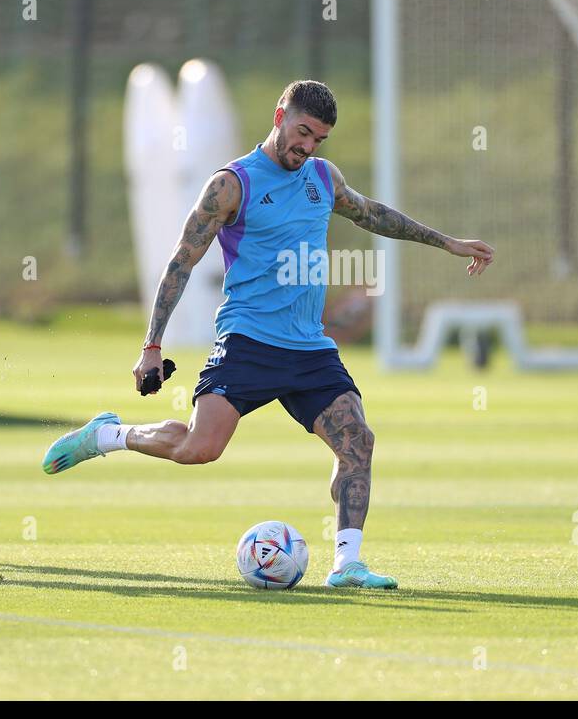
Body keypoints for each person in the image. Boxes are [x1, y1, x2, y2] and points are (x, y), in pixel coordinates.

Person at [42, 80, 493, 589]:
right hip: (249, 342)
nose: (308, 147)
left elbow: (373, 214)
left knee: (357, 442)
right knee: (198, 448)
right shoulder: (231, 184)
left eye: (319, 139)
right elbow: (181, 262)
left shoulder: (322, 177)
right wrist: (151, 345)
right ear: (280, 115)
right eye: (303, 132)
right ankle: (107, 434)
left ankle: (347, 565)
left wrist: (448, 242)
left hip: (309, 349)